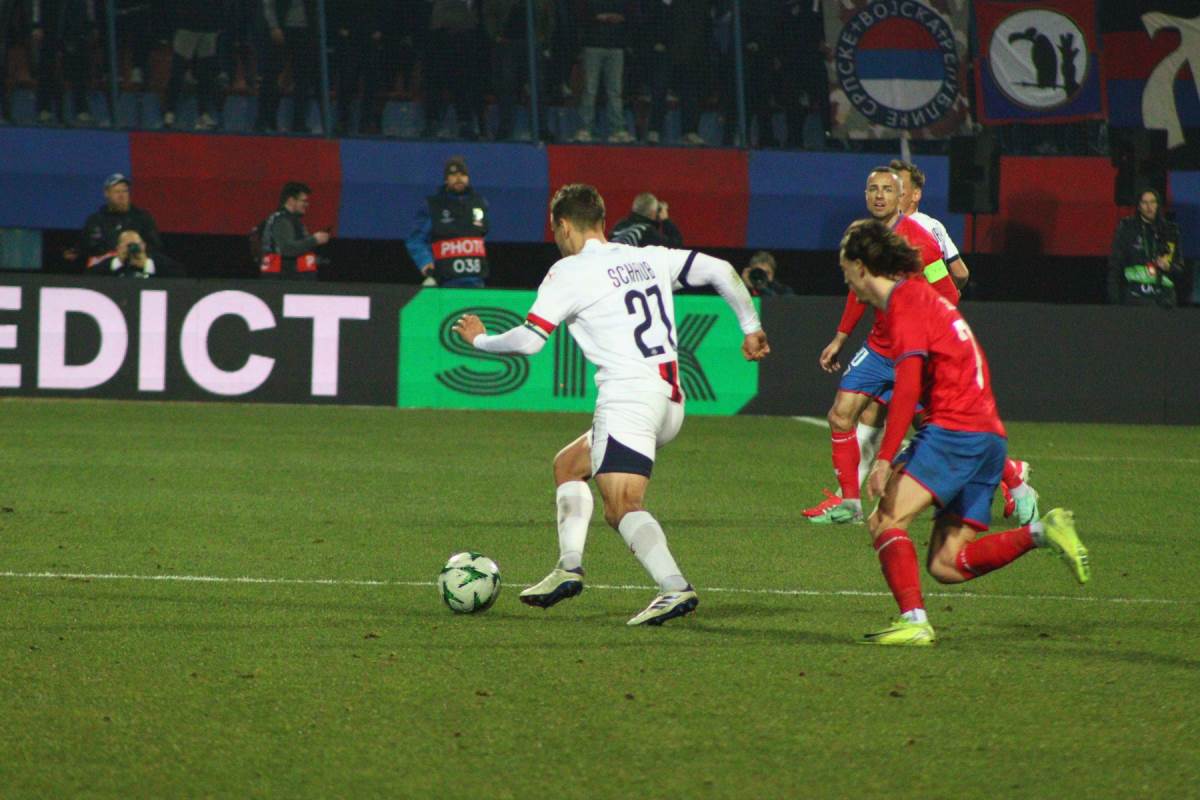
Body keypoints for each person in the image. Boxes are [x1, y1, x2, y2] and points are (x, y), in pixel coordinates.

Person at [452, 183, 770, 625]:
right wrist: (750, 325)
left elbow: (529, 341)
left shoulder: (569, 272)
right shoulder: (649, 256)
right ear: (602, 222)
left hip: (629, 399)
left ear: (563, 226)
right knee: (568, 466)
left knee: (622, 505)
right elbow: (719, 270)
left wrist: (479, 339)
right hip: (670, 401)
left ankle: (674, 587)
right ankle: (569, 566)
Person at [837, 219, 1089, 646]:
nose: (843, 276)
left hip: (955, 431)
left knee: (885, 518)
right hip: (987, 435)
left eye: (843, 266)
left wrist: (883, 458)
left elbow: (909, 385)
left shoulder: (906, 301)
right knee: (948, 564)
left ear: (861, 266)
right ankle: (1044, 531)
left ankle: (914, 620)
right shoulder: (921, 298)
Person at [802, 167, 957, 525]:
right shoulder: (867, 238)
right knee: (841, 415)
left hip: (914, 350)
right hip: (878, 348)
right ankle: (850, 503)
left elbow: (948, 292)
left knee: (938, 428)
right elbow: (860, 292)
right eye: (873, 189)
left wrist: (929, 339)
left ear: (900, 195)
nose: (879, 196)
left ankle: (1012, 479)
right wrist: (841, 337)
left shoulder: (921, 242)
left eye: (887, 189)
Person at [890, 158, 1037, 521]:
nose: (892, 191)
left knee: (941, 417)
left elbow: (944, 277)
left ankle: (1008, 476)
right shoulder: (919, 227)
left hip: (929, 339)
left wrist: (933, 317)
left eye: (899, 186)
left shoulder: (919, 230)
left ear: (914, 193)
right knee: (929, 416)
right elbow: (960, 274)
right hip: (925, 334)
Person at [405, 156, 489, 288]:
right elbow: (416, 240)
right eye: (453, 175)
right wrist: (426, 263)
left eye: (462, 174)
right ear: (446, 179)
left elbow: (482, 235)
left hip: (476, 282)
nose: (458, 178)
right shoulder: (434, 206)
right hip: (446, 283)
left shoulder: (479, 203)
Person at [1107, 189, 1186, 308]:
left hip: (1165, 299)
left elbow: (1180, 268)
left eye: (1153, 202)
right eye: (1145, 203)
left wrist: (1168, 266)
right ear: (1138, 206)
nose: (1149, 207)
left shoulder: (1170, 231)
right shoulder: (1128, 228)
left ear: (1158, 204)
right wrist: (1114, 299)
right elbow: (1115, 263)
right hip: (1135, 296)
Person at [572, 0, 634, 143]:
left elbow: (632, 14)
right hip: (593, 44)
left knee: (615, 90)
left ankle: (618, 129)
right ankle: (585, 128)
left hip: (616, 45)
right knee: (590, 89)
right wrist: (597, 17)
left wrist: (620, 18)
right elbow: (579, 14)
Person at [256, 0, 320, 134]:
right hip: (281, 28)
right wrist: (273, 26)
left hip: (306, 30)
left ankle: (299, 123)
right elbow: (268, 4)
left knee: (303, 79)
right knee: (271, 74)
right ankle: (262, 121)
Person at [79, 174, 166, 269]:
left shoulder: (142, 218)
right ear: (107, 193)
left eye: (125, 191)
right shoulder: (96, 220)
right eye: (117, 191)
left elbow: (155, 244)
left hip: (137, 265)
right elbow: (88, 247)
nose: (122, 195)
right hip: (105, 269)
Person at [162, 2, 223, 131]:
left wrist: (218, 22)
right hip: (187, 25)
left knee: (205, 74)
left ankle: (203, 114)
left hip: (209, 28)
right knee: (178, 70)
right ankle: (170, 111)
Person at [259, 181, 330, 279]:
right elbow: (287, 249)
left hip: (287, 279)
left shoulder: (289, 219)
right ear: (291, 200)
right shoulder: (282, 220)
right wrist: (314, 239)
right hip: (284, 282)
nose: (307, 204)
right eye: (304, 201)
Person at [610, 192, 682, 248]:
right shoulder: (646, 231)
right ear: (653, 212)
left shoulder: (619, 225)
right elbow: (675, 246)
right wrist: (666, 220)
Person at [92, 230, 156, 277]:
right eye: (128, 245)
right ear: (118, 248)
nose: (132, 248)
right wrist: (120, 263)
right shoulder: (105, 266)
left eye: (135, 245)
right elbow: (87, 278)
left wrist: (146, 266)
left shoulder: (158, 263)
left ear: (144, 246)